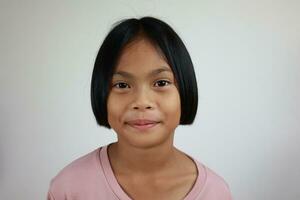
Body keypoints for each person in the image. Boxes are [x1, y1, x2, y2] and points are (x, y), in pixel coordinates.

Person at [47, 16, 233, 200]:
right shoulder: (69, 188)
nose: (142, 101)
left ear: (185, 90)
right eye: (122, 85)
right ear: (101, 93)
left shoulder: (215, 193)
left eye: (161, 82)